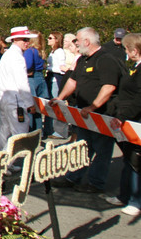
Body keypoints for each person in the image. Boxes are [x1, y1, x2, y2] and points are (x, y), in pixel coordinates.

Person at [50, 27, 124, 194]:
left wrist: (93, 107)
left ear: (87, 42)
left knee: (102, 150)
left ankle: (96, 183)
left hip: (102, 114)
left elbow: (109, 86)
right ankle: (72, 177)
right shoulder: (83, 60)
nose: (75, 43)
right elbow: (72, 82)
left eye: (77, 40)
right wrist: (60, 98)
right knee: (82, 147)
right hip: (84, 114)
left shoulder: (106, 60)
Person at [104, 33, 141, 217]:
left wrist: (123, 115)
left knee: (136, 161)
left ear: (134, 51)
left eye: (126, 49)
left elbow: (139, 99)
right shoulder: (135, 67)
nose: (125, 52)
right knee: (128, 158)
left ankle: (136, 200)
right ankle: (124, 194)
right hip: (129, 119)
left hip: (136, 120)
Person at [0, 26, 37, 153]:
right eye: (25, 39)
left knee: (5, 131)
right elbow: (22, 84)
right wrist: (30, 103)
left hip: (5, 98)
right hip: (15, 101)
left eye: (28, 39)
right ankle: (6, 163)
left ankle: (1, 160)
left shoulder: (8, 54)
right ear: (16, 40)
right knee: (19, 134)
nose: (27, 42)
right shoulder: (17, 57)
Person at [24, 32, 49, 133]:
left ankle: (30, 131)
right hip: (40, 77)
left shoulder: (30, 51)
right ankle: (39, 132)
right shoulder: (40, 51)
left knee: (30, 107)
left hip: (32, 77)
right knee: (38, 108)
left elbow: (28, 65)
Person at [47, 32, 68, 138]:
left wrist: (48, 68)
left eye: (50, 38)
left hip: (56, 79)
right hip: (52, 78)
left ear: (57, 39)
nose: (48, 39)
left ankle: (61, 131)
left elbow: (61, 67)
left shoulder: (59, 52)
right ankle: (53, 129)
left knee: (58, 104)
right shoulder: (52, 51)